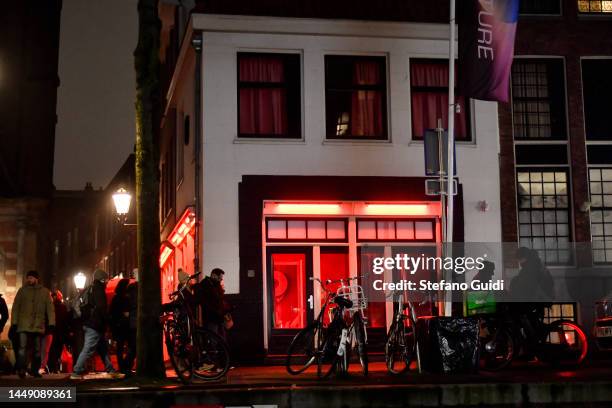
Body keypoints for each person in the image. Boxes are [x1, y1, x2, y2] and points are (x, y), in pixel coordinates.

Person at [70, 269, 124, 380]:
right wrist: (108, 319)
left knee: (103, 349)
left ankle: (111, 370)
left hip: (91, 323)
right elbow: (101, 307)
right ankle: (76, 371)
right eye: (106, 279)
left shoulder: (91, 289)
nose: (107, 282)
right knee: (88, 349)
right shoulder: (98, 290)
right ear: (102, 279)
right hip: (95, 324)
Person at [10, 270, 55, 378]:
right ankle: (21, 369)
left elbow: (50, 309)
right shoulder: (22, 291)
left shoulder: (44, 292)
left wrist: (52, 323)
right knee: (22, 348)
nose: (29, 280)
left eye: (31, 278)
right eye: (28, 278)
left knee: (37, 349)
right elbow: (15, 308)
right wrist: (14, 323)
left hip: (38, 325)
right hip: (23, 324)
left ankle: (35, 370)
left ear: (36, 279)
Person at [197, 268, 227, 338]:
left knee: (220, 337)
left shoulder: (214, 284)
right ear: (214, 275)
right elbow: (206, 302)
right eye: (220, 278)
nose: (221, 280)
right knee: (214, 337)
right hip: (211, 317)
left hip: (217, 316)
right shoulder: (206, 284)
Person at [110, 279, 131, 374]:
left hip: (118, 326)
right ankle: (125, 365)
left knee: (120, 348)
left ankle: (122, 366)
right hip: (125, 325)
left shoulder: (116, 298)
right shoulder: (126, 298)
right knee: (130, 346)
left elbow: (111, 313)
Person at [46, 289, 69, 373]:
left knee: (53, 351)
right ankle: (54, 367)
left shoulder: (53, 307)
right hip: (58, 333)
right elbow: (65, 321)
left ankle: (53, 367)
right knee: (56, 351)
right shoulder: (61, 307)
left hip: (54, 332)